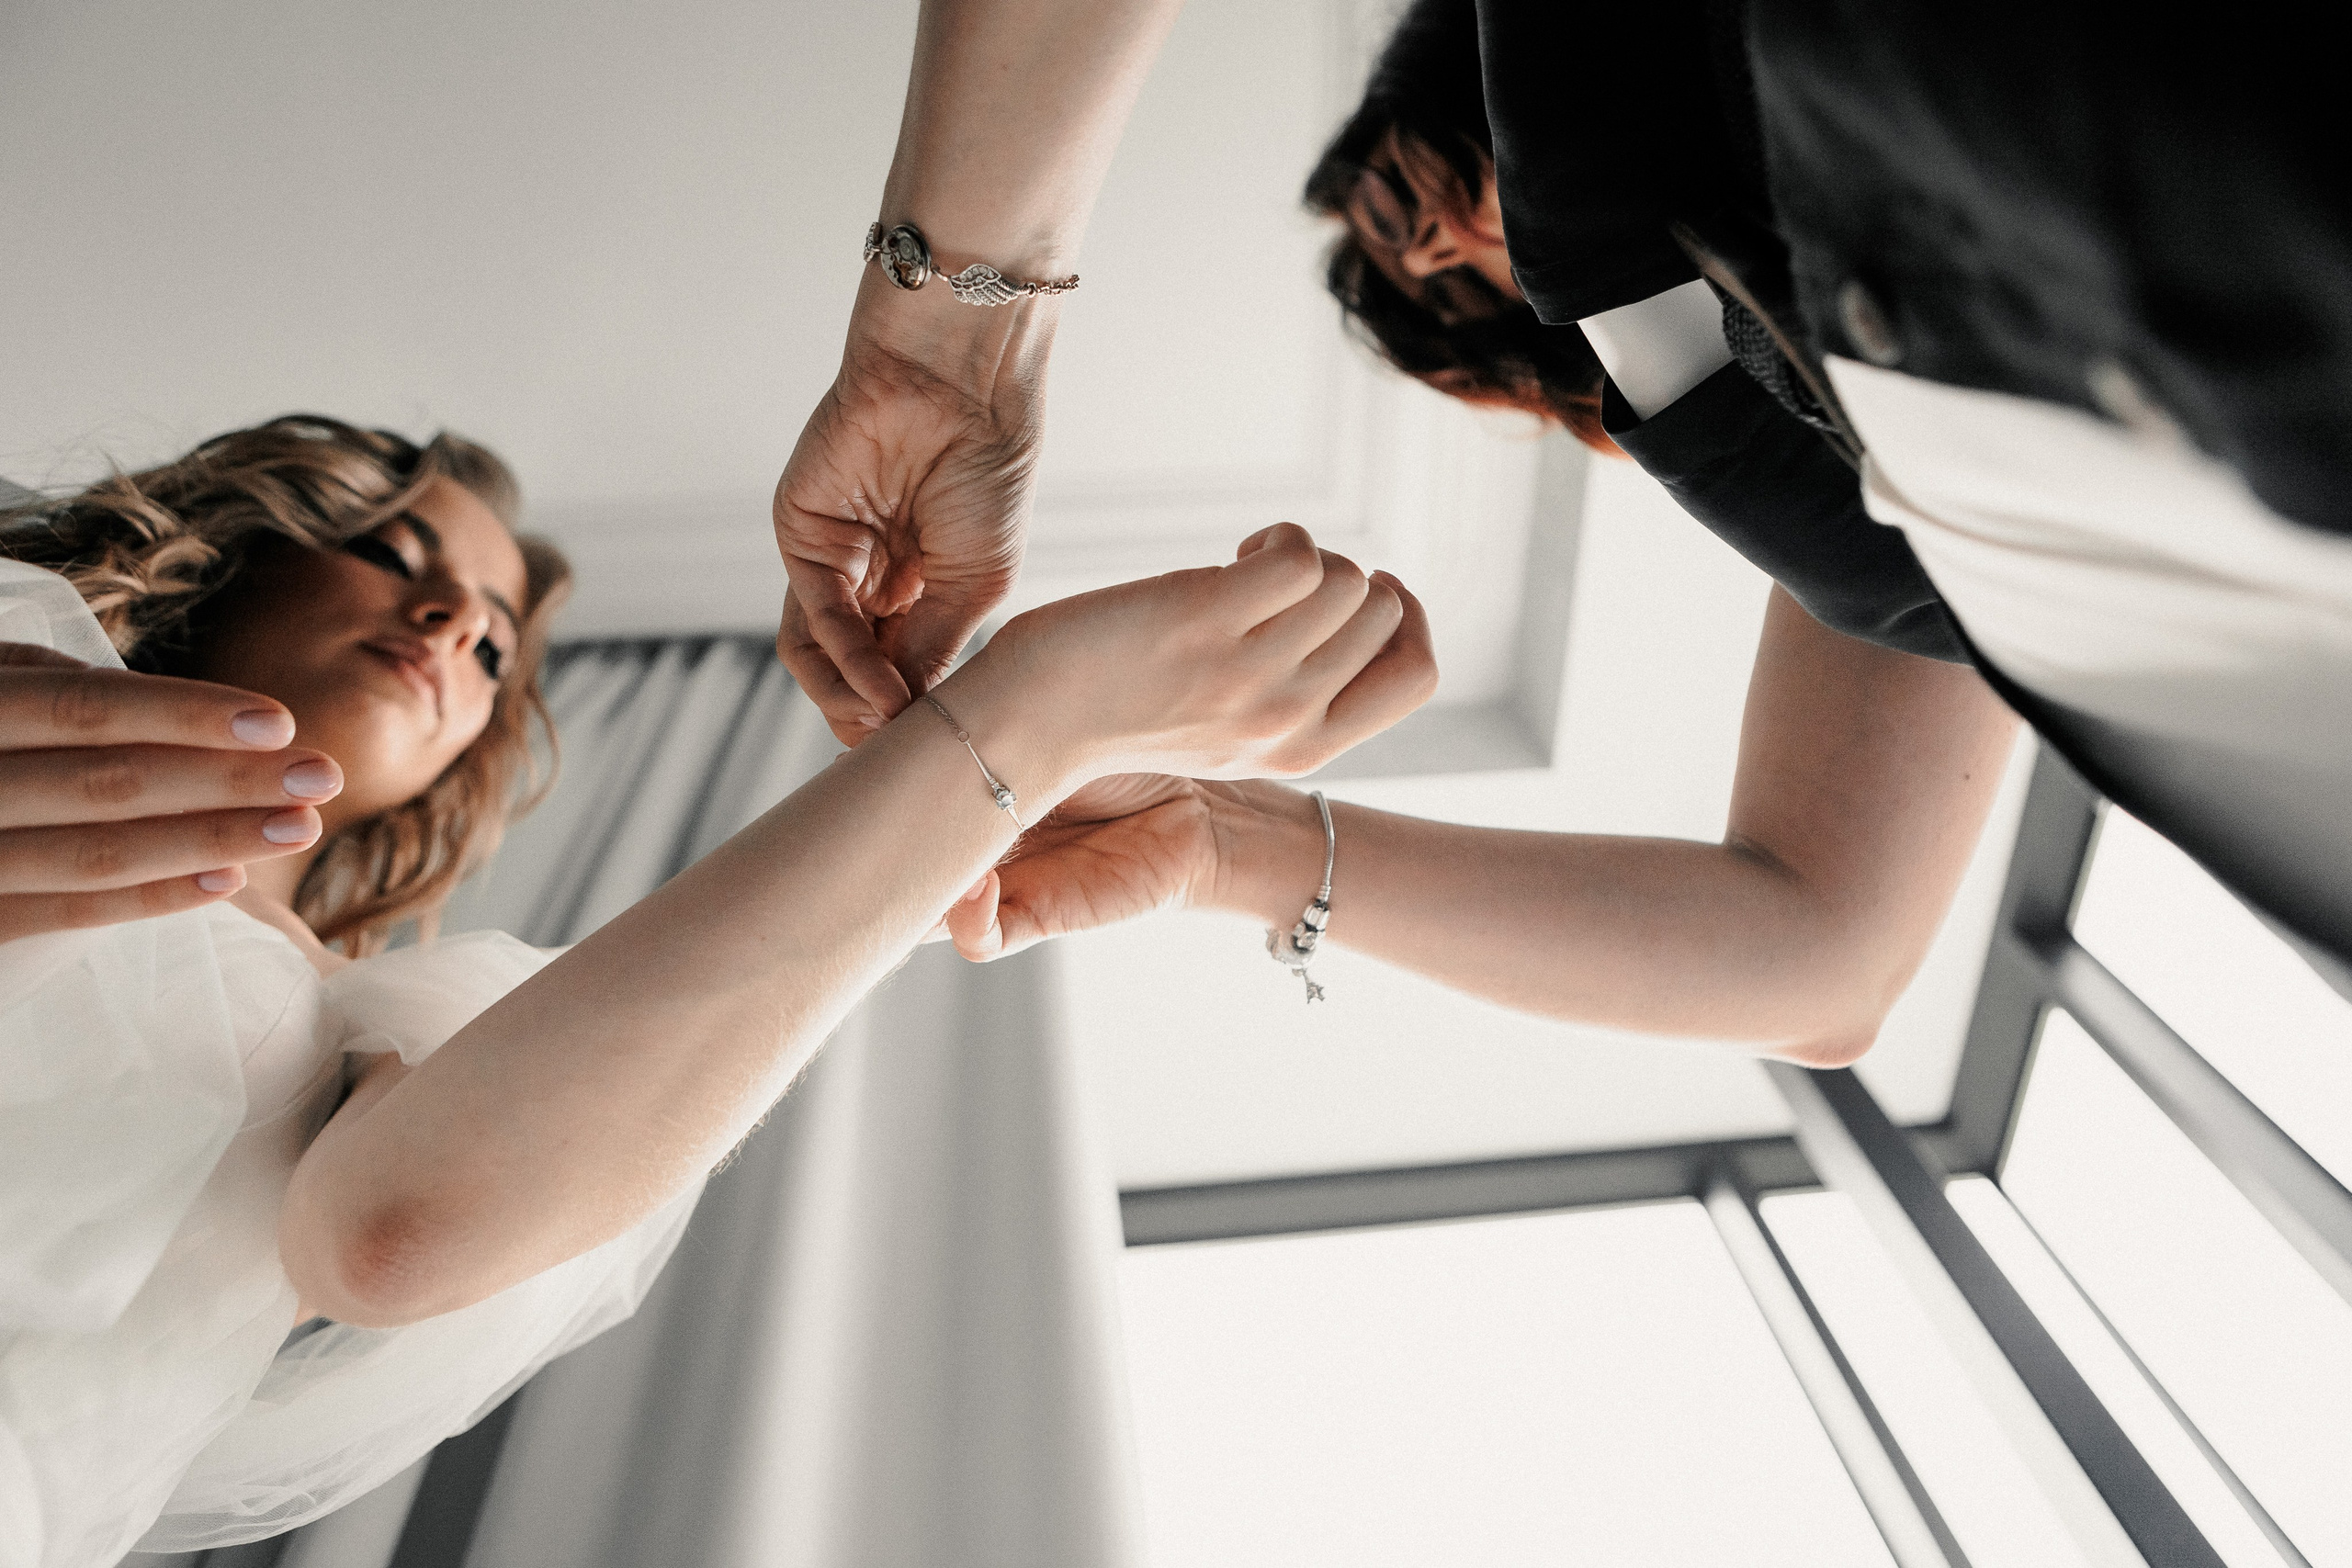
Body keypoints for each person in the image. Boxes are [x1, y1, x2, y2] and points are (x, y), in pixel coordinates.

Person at [0, 414, 1433, 1563]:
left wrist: (1030, 714)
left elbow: (396, 1232)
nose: (448, 620)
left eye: (497, 646)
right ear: (251, 548)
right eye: (390, 549)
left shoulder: (367, 1031)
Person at [775, 0, 2352, 989]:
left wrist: (944, 354)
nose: (1464, 254)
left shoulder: (1626, 106)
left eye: (1409, 201)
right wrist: (1216, 842)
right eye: (1465, 318)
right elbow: (1821, 948)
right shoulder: (1842, 489)